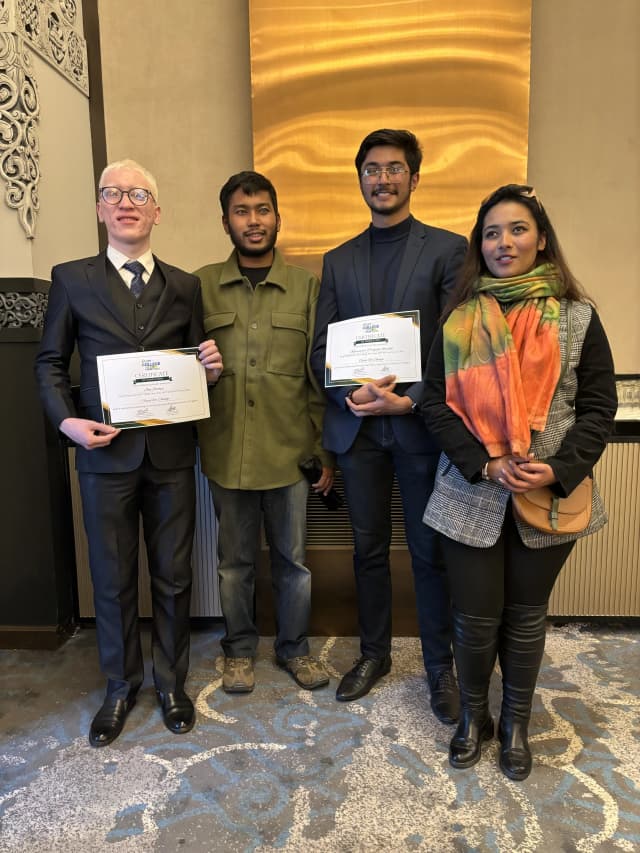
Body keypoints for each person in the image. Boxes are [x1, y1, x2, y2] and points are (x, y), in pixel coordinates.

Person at [421, 184, 617, 780]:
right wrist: (483, 462)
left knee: (527, 616)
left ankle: (516, 723)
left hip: (547, 494)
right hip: (469, 491)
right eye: (491, 233)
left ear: (541, 239)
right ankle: (473, 718)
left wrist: (559, 468)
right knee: (474, 618)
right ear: (478, 246)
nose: (504, 242)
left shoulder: (578, 317)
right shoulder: (459, 319)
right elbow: (433, 404)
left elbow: (597, 406)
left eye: (517, 229)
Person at [35, 159, 223, 747]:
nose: (126, 201)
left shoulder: (186, 285)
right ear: (99, 208)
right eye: (113, 193)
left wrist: (210, 372)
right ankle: (120, 686)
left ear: (156, 211)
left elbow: (194, 364)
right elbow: (48, 364)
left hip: (170, 454)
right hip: (103, 456)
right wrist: (67, 421)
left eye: (139, 193)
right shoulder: (71, 278)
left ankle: (172, 684)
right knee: (112, 579)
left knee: (173, 578)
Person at [311, 129, 467, 718]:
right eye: (372, 169)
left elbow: (459, 345)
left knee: (430, 552)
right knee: (367, 550)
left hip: (420, 427)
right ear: (360, 180)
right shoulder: (338, 259)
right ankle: (373, 654)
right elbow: (319, 349)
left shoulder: (449, 251)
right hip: (359, 433)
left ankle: (439, 668)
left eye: (394, 168)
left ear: (414, 178)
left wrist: (415, 399)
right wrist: (349, 389)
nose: (383, 178)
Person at [196, 171, 334, 694]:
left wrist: (323, 452)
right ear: (226, 220)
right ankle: (238, 652)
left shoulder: (307, 287)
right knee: (234, 564)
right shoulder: (201, 285)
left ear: (277, 216)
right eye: (241, 211)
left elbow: (318, 377)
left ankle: (294, 649)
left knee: (293, 563)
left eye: (262, 210)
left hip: (289, 454)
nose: (253, 222)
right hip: (225, 450)